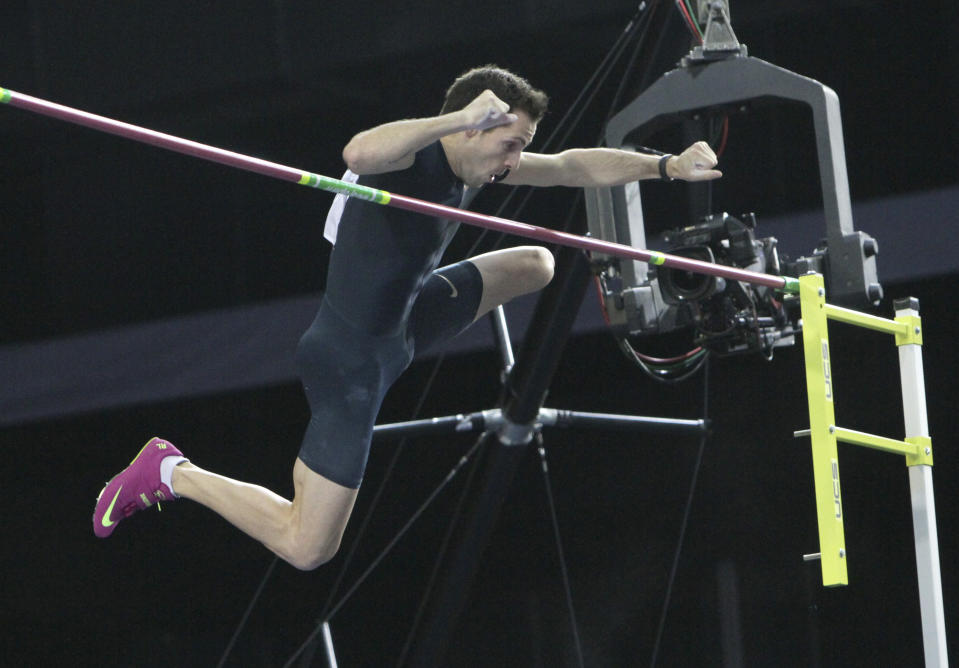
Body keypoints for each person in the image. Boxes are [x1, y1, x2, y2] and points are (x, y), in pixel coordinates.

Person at [92, 65, 721, 570]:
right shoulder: (409, 159)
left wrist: (664, 166)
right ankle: (171, 471)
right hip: (351, 361)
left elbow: (569, 167)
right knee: (307, 547)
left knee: (537, 262)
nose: (512, 162)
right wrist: (453, 117)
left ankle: (178, 469)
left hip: (409, 322)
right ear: (475, 124)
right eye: (509, 144)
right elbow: (358, 151)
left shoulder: (480, 164)